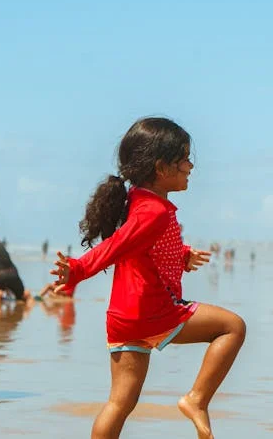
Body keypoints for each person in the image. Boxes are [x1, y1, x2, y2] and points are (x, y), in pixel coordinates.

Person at [48, 117, 246, 439]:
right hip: (152, 311)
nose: (190, 165)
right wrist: (78, 270)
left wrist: (182, 255)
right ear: (161, 167)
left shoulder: (141, 200)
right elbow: (117, 245)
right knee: (233, 327)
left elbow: (143, 249)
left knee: (119, 403)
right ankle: (196, 400)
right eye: (183, 158)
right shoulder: (152, 212)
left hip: (123, 317)